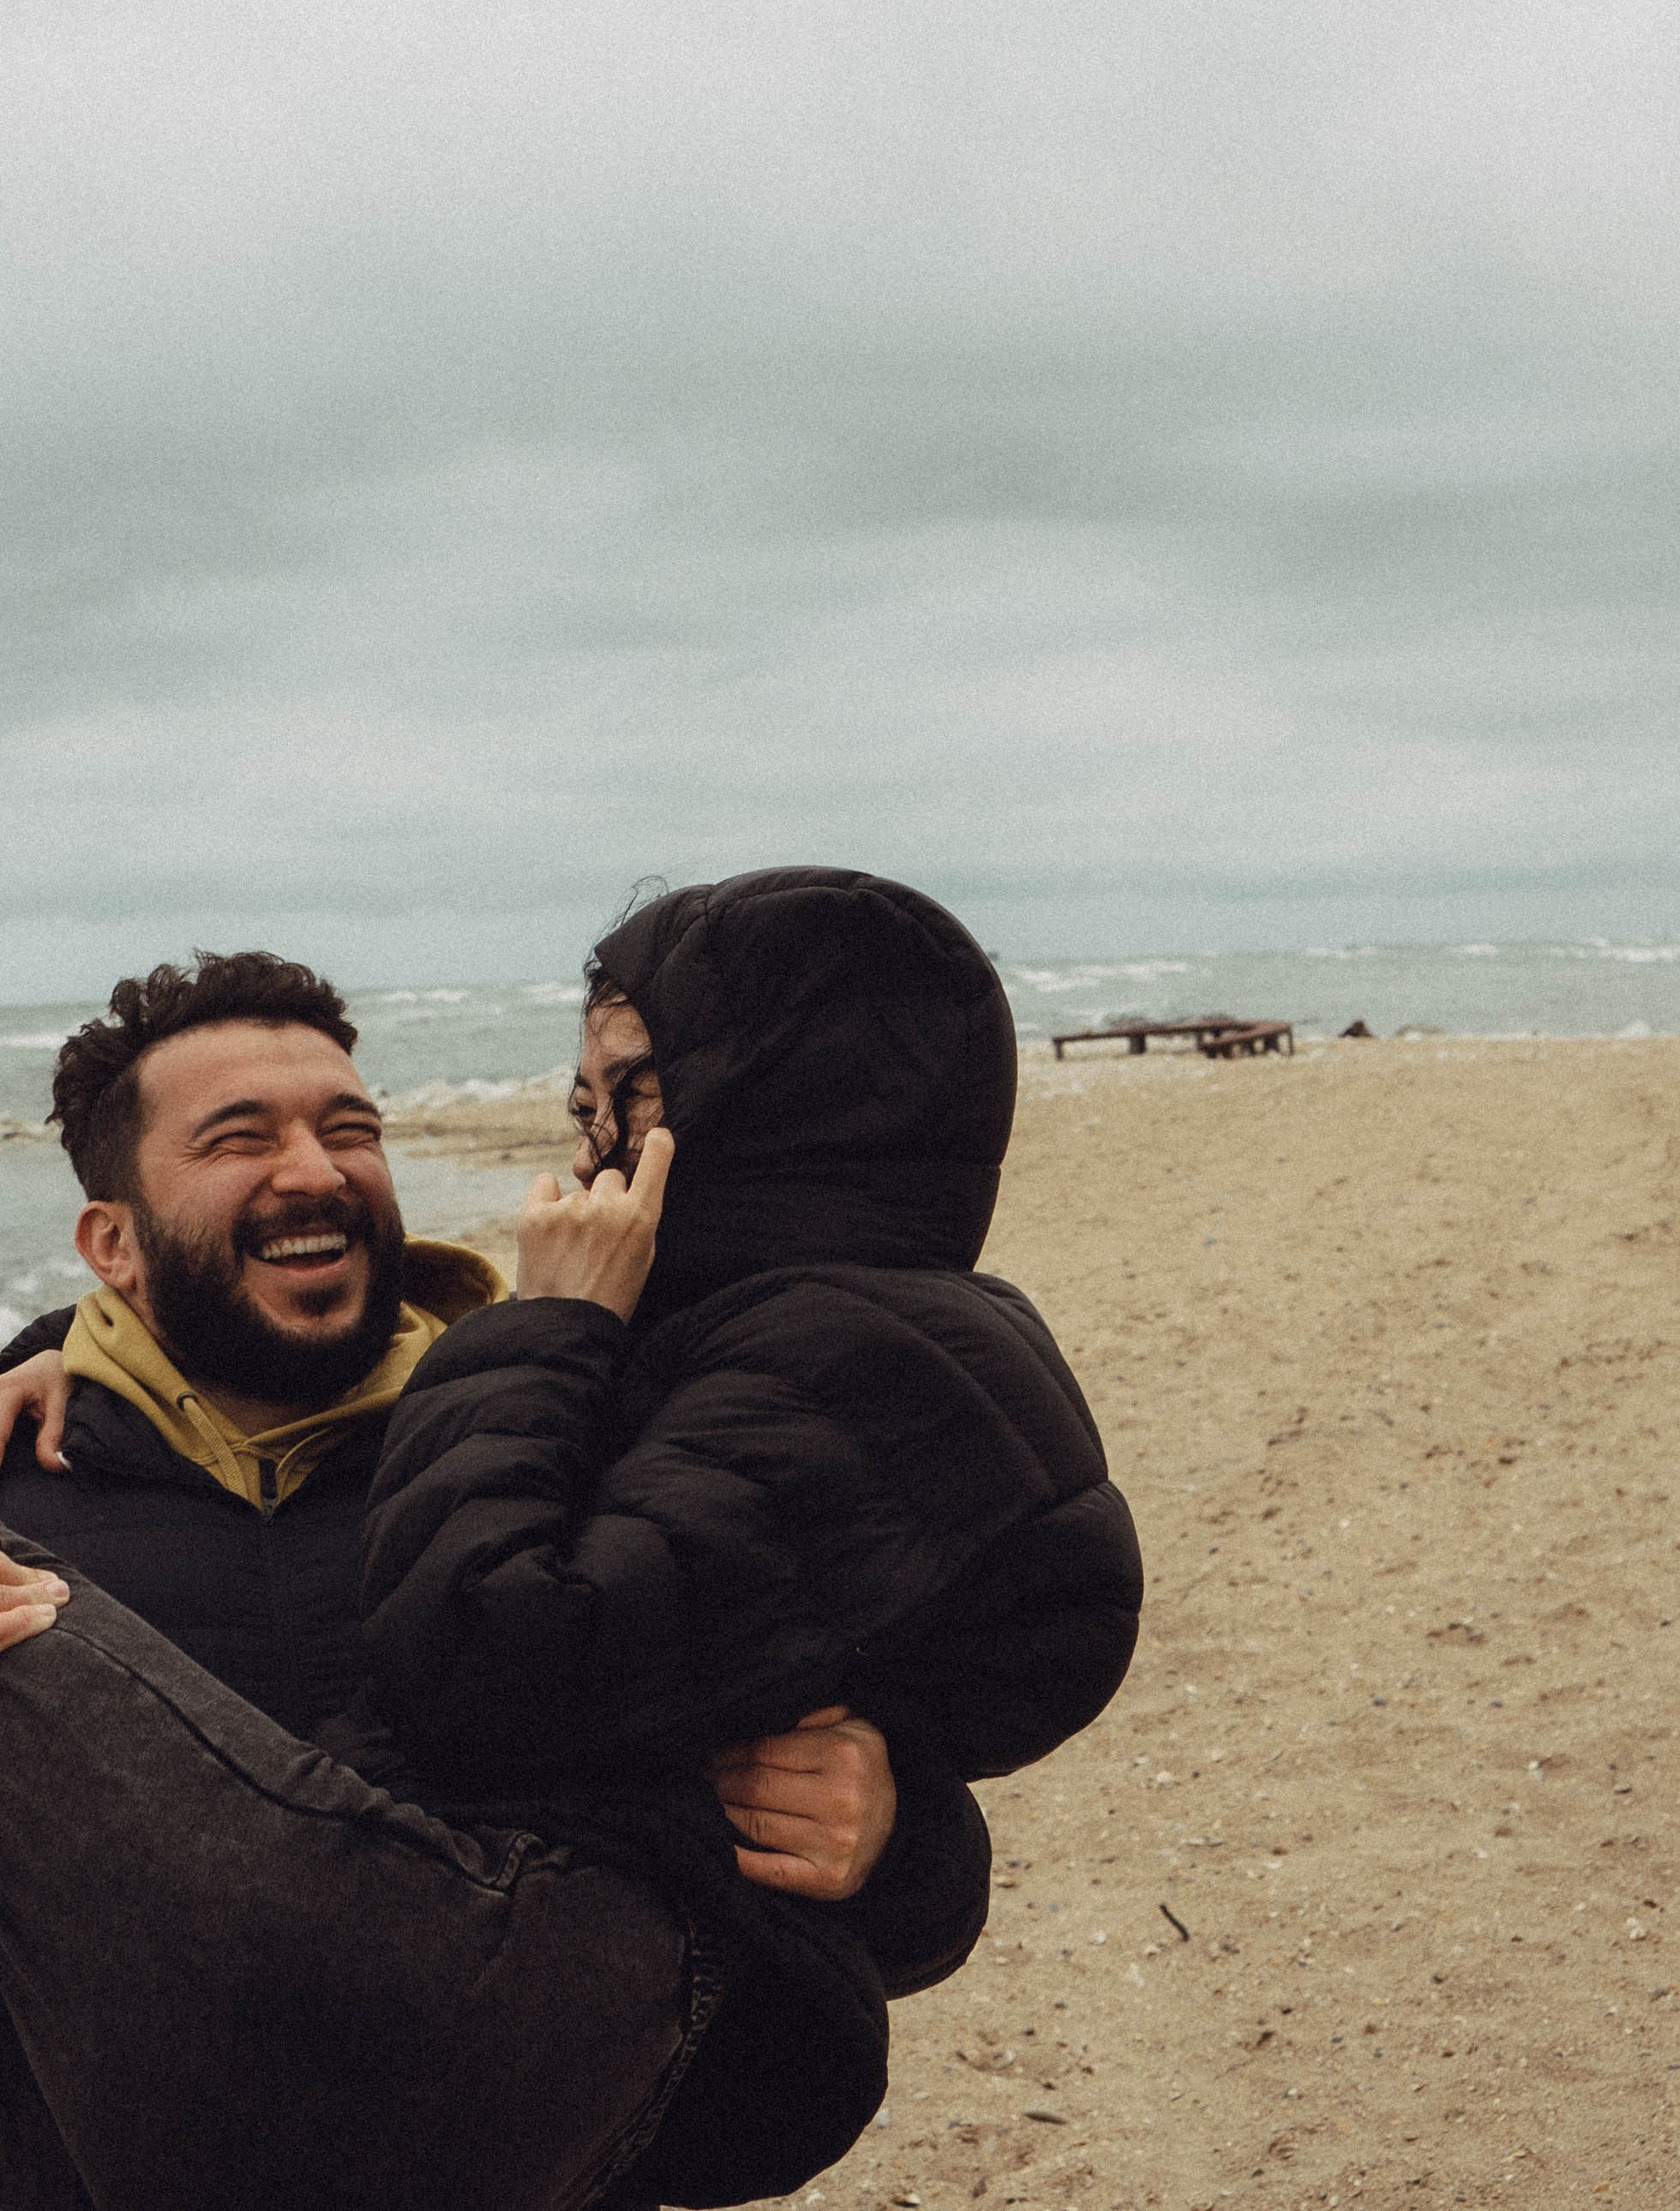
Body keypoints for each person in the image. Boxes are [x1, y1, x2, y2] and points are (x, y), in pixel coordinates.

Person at [0, 951, 984, 2211]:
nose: (313, 1172)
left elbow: (909, 1897)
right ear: (112, 1243)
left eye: (349, 1128)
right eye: (237, 1139)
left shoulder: (574, 1468)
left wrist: (888, 1826)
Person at [356, 866, 1145, 2202]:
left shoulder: (827, 1347)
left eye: (631, 1094)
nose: (592, 1147)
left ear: (779, 1100)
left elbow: (493, 1659)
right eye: (580, 1102)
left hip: (579, 2041)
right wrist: (66, 1366)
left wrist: (551, 1323)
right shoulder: (739, 1327)